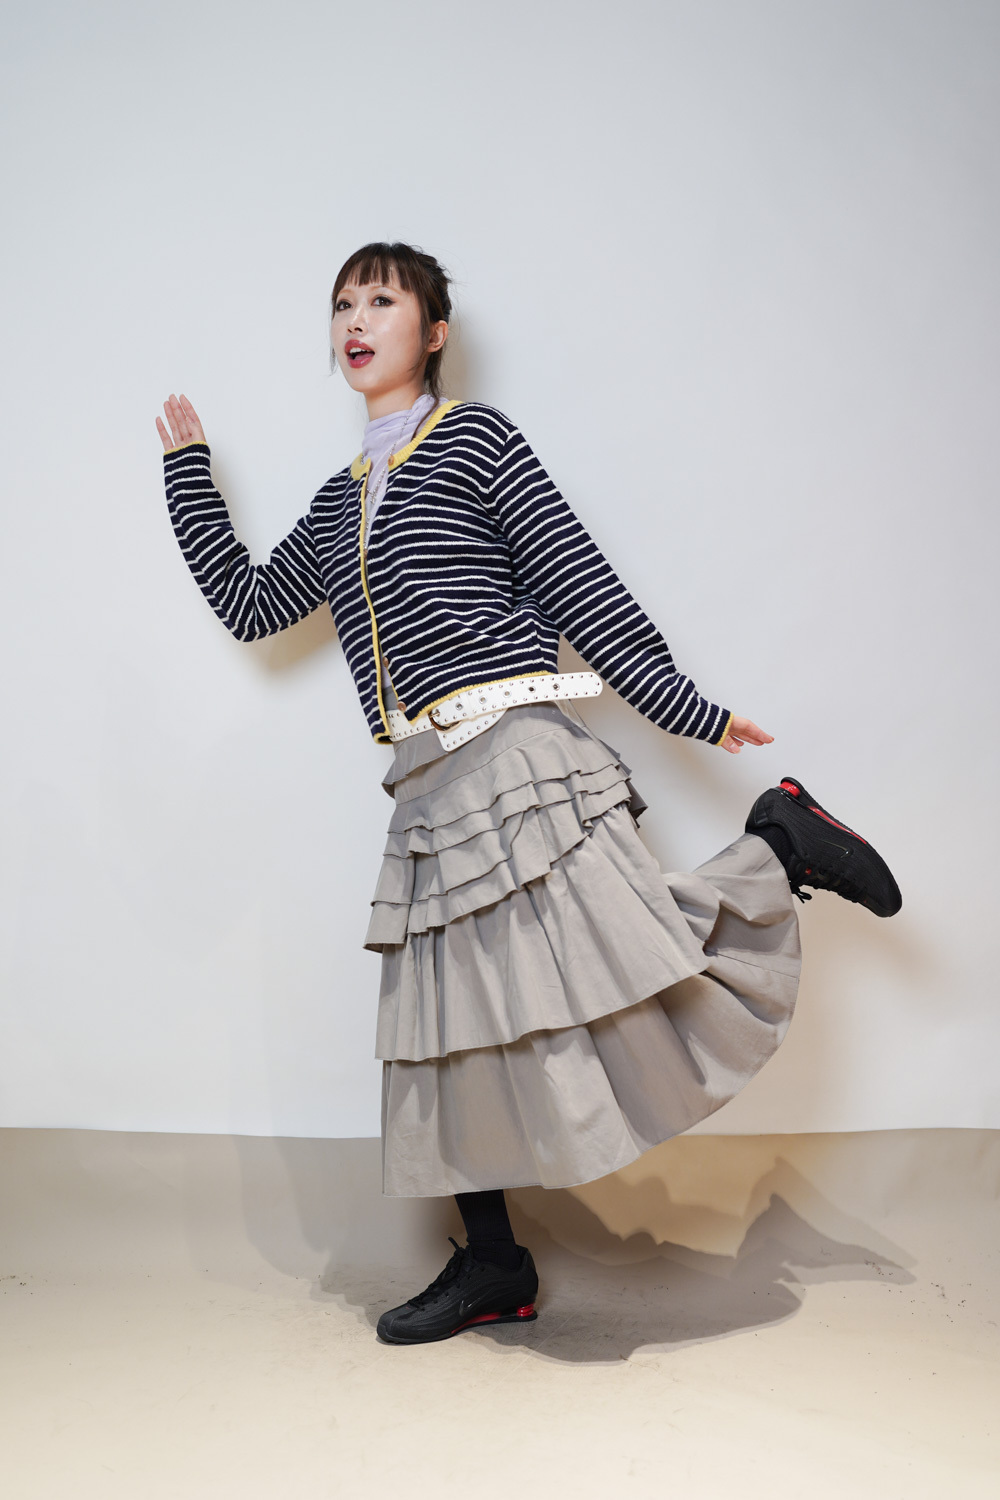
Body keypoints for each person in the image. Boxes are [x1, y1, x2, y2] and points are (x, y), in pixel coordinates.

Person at [156, 241, 902, 1347]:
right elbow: (252, 604)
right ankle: (496, 1265)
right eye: (343, 304)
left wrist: (692, 709)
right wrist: (191, 476)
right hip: (425, 792)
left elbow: (579, 582)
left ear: (433, 333)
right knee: (460, 1035)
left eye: (382, 300)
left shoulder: (477, 441)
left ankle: (781, 847)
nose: (356, 319)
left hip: (514, 760)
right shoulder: (341, 499)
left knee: (632, 961)